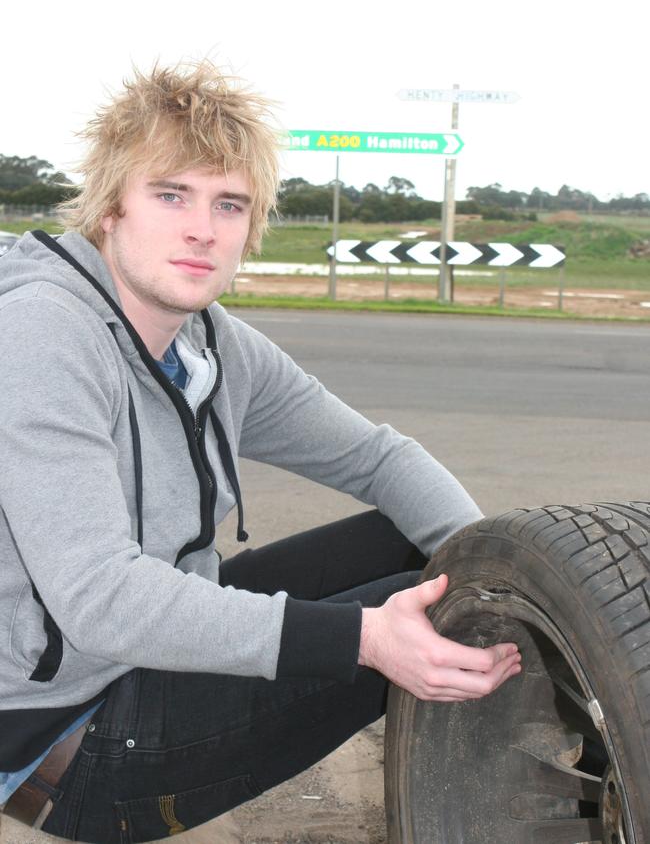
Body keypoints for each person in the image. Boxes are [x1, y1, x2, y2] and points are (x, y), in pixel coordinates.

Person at [0, 61, 520, 842]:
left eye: (229, 203)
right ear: (110, 208)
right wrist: (364, 638)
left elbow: (382, 457)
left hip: (139, 661)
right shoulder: (46, 332)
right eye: (170, 194)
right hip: (65, 737)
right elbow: (100, 596)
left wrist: (519, 577)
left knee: (446, 561)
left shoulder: (212, 344)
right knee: (435, 614)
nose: (202, 228)